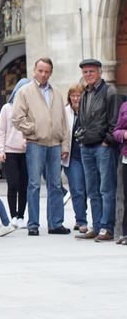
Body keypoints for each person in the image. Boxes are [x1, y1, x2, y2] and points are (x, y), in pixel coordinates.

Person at [11, 57, 70, 236]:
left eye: (47, 71)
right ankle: (33, 224)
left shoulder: (57, 93)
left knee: (55, 184)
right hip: (35, 143)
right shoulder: (24, 92)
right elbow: (17, 119)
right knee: (34, 184)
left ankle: (55, 224)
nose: (43, 74)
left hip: (55, 144)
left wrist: (65, 144)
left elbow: (64, 121)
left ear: (51, 73)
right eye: (40, 71)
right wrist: (34, 129)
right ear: (34, 71)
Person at [76, 58, 119, 242]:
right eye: (85, 72)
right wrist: (80, 139)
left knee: (106, 188)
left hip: (103, 147)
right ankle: (96, 225)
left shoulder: (110, 92)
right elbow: (82, 120)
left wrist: (107, 141)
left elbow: (115, 120)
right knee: (92, 189)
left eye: (91, 71)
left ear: (100, 72)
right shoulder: (85, 93)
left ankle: (107, 227)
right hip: (86, 146)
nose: (88, 75)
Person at [0, 78, 29, 229]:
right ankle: (13, 215)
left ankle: (21, 216)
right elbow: (1, 130)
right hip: (10, 152)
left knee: (24, 185)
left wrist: (28, 141)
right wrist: (0, 150)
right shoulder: (6, 109)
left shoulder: (30, 108)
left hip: (26, 152)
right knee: (13, 184)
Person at [64, 85, 90, 236]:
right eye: (73, 95)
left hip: (88, 155)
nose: (75, 98)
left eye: (78, 95)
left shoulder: (87, 112)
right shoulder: (65, 112)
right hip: (72, 157)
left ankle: (82, 217)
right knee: (77, 189)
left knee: (88, 189)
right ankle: (81, 221)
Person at [112, 97, 127, 245]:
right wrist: (124, 135)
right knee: (126, 197)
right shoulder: (124, 106)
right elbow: (116, 131)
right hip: (126, 157)